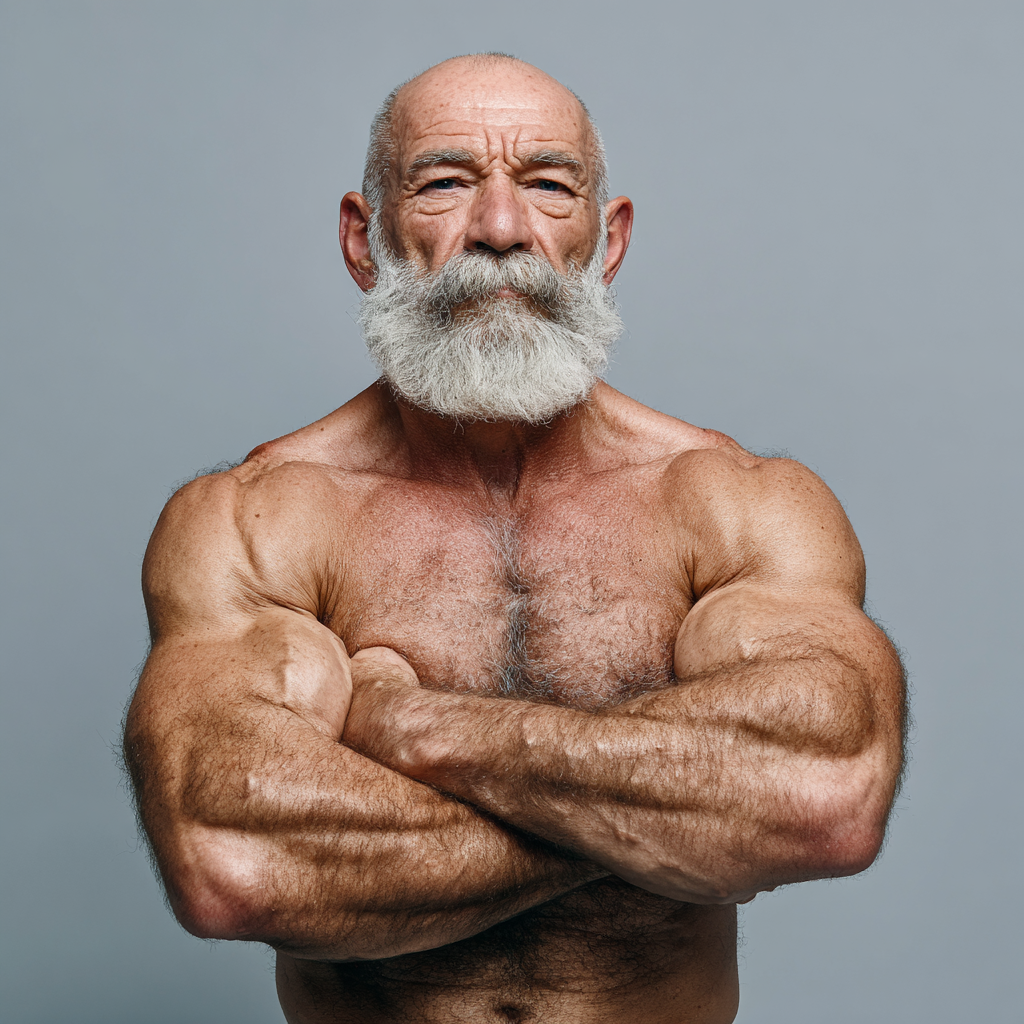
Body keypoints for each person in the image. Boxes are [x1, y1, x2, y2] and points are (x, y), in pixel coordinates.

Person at [123, 53, 906, 1024]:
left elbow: (823, 796)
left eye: (546, 185)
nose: (501, 230)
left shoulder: (736, 503)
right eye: (447, 182)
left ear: (606, 240)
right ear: (364, 240)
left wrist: (418, 729)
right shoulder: (254, 519)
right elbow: (232, 860)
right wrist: (678, 818)